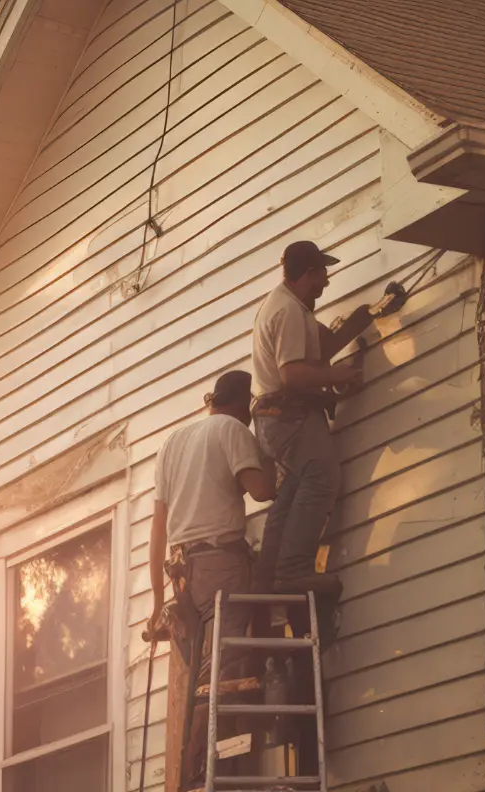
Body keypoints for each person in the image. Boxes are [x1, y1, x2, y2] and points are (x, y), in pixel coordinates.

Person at [250, 240, 404, 596]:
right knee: (322, 476)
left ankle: (267, 579)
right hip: (285, 415)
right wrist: (337, 377)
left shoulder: (289, 307)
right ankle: (292, 571)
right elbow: (291, 375)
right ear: (309, 273)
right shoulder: (287, 310)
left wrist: (370, 313)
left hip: (275, 418)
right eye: (323, 275)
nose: (327, 284)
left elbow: (326, 345)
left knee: (291, 492)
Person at [149, 370, 275, 788]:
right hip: (221, 563)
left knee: (201, 676)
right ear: (242, 406)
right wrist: (273, 453)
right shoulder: (232, 429)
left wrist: (155, 601)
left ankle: (193, 772)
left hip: (182, 573)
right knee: (225, 671)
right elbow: (260, 491)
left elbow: (158, 527)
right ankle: (211, 773)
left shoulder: (173, 443)